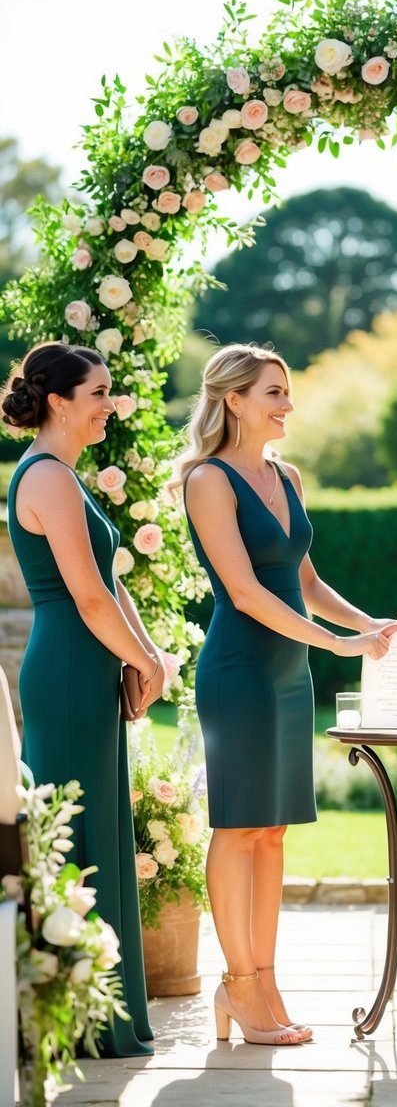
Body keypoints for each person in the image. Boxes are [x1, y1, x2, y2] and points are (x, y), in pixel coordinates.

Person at [176, 343, 393, 1047]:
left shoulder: (287, 477)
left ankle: (264, 982)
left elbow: (305, 583)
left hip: (288, 675)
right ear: (233, 400)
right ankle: (238, 986)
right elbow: (242, 591)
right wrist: (334, 647)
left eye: (286, 391)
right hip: (238, 671)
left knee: (271, 834)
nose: (287, 405)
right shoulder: (208, 479)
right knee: (237, 827)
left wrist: (369, 626)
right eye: (274, 392)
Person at [1, 342, 164, 1058]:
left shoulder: (65, 476)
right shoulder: (48, 478)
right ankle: (76, 1018)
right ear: (60, 400)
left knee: (96, 825)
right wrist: (149, 659)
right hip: (68, 669)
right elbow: (89, 597)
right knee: (76, 836)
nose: (110, 404)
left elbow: (113, 586)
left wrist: (142, 653)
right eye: (99, 392)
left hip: (87, 667)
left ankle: (99, 1011)